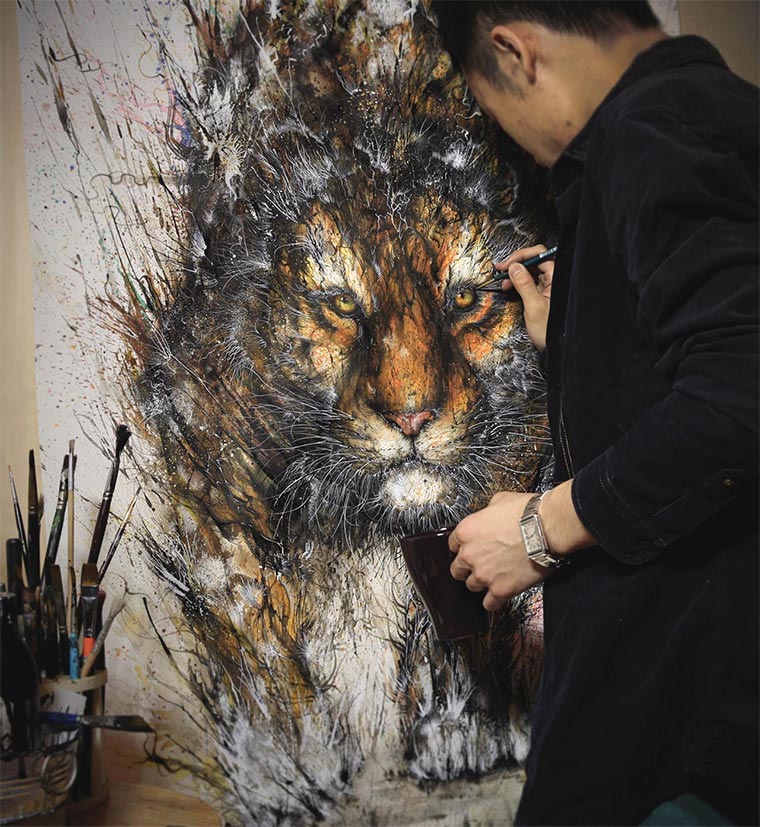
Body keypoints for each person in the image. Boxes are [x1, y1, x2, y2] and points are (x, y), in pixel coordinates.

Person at [429, 2, 759, 825]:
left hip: (692, 743)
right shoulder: (722, 113)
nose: (507, 135)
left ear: (514, 53)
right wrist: (581, 332)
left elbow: (739, 394)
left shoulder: (653, 130)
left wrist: (538, 530)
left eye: (490, 108)